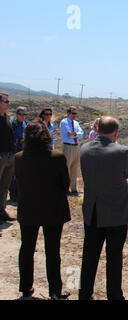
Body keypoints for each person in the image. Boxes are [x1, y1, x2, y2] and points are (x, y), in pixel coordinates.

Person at [79, 116, 128, 300]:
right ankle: (114, 295)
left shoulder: (84, 149)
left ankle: (84, 293)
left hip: (93, 212)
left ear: (97, 130)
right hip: (116, 213)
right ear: (115, 132)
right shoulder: (122, 151)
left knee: (89, 256)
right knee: (114, 258)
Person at [14, 120, 71, 300]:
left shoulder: (18, 157)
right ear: (47, 136)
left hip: (27, 209)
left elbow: (18, 182)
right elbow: (65, 184)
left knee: (27, 249)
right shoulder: (57, 157)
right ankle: (55, 291)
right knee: (53, 251)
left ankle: (25, 288)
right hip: (53, 210)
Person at [60, 106, 84, 196]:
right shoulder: (64, 122)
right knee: (67, 167)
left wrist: (74, 134)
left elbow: (81, 134)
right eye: (73, 113)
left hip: (76, 146)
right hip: (68, 146)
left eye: (75, 113)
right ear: (68, 113)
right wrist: (75, 134)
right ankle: (65, 188)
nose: (75, 115)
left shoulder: (76, 123)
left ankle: (73, 188)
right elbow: (68, 134)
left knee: (74, 168)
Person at [0, 92, 16, 224]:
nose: (8, 103)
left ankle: (2, 210)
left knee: (5, 186)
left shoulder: (6, 118)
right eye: (6, 101)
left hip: (9, 156)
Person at [9, 106, 28, 204]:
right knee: (13, 175)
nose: (23, 116)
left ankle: (19, 193)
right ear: (17, 114)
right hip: (14, 151)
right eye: (21, 114)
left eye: (24, 114)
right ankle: (13, 195)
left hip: (23, 152)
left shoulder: (25, 124)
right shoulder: (13, 124)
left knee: (20, 174)